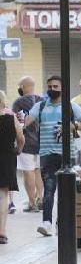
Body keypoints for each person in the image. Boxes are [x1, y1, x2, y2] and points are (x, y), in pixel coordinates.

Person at [26, 76, 81, 237]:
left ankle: (60, 223)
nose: (52, 89)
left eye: (56, 86)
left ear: (63, 88)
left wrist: (72, 125)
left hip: (67, 156)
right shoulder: (40, 106)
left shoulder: (70, 106)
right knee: (49, 189)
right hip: (47, 155)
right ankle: (46, 223)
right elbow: (26, 121)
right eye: (49, 86)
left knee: (65, 193)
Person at [12, 76, 44, 212]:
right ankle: (40, 199)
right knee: (38, 172)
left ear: (24, 87)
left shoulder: (19, 102)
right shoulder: (42, 100)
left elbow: (19, 124)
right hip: (42, 142)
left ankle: (32, 203)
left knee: (28, 172)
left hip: (26, 143)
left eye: (20, 86)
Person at [0, 91, 25, 244]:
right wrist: (18, 150)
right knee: (3, 195)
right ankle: (1, 232)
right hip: (7, 157)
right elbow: (21, 138)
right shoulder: (11, 117)